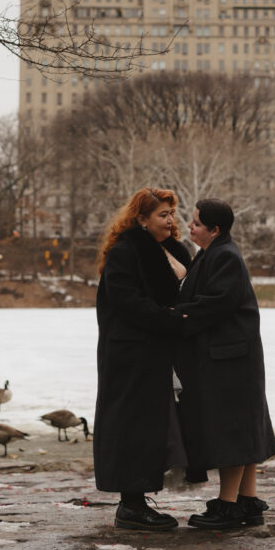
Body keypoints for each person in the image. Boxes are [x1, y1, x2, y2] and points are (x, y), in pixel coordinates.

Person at [174, 197, 275, 529]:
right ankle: (247, 500)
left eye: (196, 223)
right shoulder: (213, 253)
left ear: (214, 229)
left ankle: (228, 506)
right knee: (242, 429)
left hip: (231, 360)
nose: (190, 227)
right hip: (233, 357)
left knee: (232, 431)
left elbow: (216, 304)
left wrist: (175, 316)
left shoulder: (225, 256)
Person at [93, 187, 191, 531]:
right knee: (132, 424)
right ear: (142, 219)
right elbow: (127, 302)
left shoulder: (170, 249)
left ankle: (138, 499)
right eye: (162, 214)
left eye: (172, 213)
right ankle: (131, 504)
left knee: (153, 425)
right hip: (131, 354)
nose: (170, 220)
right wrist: (170, 318)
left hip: (158, 349)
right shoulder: (126, 252)